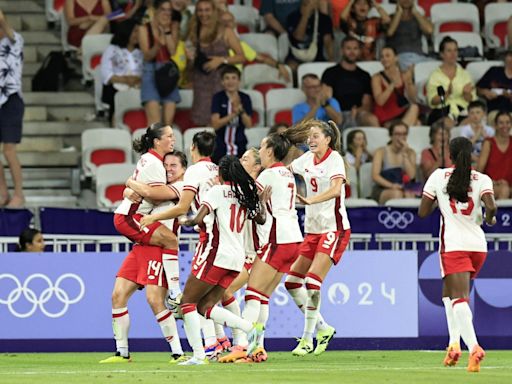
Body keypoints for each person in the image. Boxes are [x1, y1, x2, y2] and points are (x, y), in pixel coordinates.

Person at [219, 124, 310, 364]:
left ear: (270, 152)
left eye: (261, 148)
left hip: (276, 239)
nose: (260, 151)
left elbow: (248, 202)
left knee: (252, 294)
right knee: (262, 297)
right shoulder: (286, 173)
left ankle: (244, 348)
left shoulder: (268, 175)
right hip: (293, 240)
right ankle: (258, 348)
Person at [175, 155, 269, 365]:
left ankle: (199, 356)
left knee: (187, 303)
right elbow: (261, 219)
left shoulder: (216, 191)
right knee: (205, 306)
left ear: (221, 174)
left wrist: (186, 220)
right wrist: (261, 202)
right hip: (236, 259)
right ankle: (249, 329)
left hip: (215, 254)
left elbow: (199, 218)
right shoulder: (243, 194)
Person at [139, 130, 222, 360]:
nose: (168, 169)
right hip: (223, 237)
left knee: (191, 301)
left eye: (174, 165)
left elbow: (182, 207)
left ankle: (226, 341)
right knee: (216, 297)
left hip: (210, 238)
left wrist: (152, 217)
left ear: (193, 147)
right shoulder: (215, 169)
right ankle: (224, 343)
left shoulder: (192, 174)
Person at [100, 150, 188, 364]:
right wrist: (128, 192)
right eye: (166, 165)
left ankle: (178, 352)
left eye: (174, 165)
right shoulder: (161, 185)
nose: (168, 169)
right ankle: (122, 352)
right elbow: (142, 196)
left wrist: (130, 183)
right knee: (117, 296)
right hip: (142, 246)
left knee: (155, 300)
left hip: (159, 248)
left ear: (184, 169)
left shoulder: (182, 187)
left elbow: (149, 193)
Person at [419, 136, 497, 373]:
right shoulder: (482, 178)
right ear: (471, 154)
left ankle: (474, 347)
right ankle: (453, 345)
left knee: (458, 298)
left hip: (453, 244)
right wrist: (489, 219)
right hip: (478, 245)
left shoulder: (438, 176)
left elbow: (423, 212)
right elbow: (491, 206)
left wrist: (438, 200)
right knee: (449, 293)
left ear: (450, 156)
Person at [285, 119, 350, 356]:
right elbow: (285, 170)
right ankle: (324, 328)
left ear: (327, 139)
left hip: (334, 228)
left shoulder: (335, 160)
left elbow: (335, 190)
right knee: (292, 282)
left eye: (315, 136)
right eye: (309, 136)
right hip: (312, 230)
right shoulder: (305, 160)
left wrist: (310, 200)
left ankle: (306, 338)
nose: (311, 140)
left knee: (312, 282)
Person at [113, 123, 183, 303]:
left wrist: (129, 184)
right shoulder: (155, 164)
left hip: (129, 215)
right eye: (168, 136)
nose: (173, 139)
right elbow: (155, 196)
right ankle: (175, 294)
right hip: (131, 218)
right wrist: (130, 186)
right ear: (157, 141)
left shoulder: (147, 159)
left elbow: (142, 190)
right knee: (170, 240)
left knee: (119, 296)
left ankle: (173, 294)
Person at [217, 148, 266, 357]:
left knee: (222, 292)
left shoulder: (251, 188)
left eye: (245, 159)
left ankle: (239, 343)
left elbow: (260, 218)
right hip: (250, 252)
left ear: (256, 167)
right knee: (259, 299)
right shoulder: (244, 189)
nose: (240, 161)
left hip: (252, 254)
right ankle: (256, 346)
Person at [185, 0, 244, 126]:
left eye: (207, 10)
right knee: (202, 122)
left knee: (220, 121)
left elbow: (241, 57)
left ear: (214, 11)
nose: (203, 14)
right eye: (200, 10)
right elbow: (191, 60)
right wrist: (190, 58)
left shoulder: (226, 31)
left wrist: (221, 60)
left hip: (220, 83)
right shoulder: (193, 31)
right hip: (201, 82)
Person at [322, 36, 379, 129]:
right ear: (342, 50)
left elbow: (367, 104)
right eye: (348, 48)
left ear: (359, 51)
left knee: (371, 119)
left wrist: (355, 113)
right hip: (335, 114)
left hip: (357, 113)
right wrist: (337, 115)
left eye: (355, 48)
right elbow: (324, 98)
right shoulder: (330, 72)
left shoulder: (364, 75)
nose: (352, 52)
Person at [139, 0, 180, 126]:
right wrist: (157, 45)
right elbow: (146, 56)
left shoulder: (172, 28)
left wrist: (166, 31)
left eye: (169, 10)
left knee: (168, 124)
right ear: (155, 10)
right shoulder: (144, 28)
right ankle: (153, 146)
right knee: (155, 124)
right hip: (150, 70)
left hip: (167, 72)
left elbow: (172, 51)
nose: (167, 13)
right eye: (163, 9)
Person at [0, 10, 25, 208]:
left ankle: (19, 193)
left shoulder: (14, 41)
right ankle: (2, 191)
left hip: (10, 99)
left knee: (9, 150)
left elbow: (8, 30)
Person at [101, 19, 143, 125]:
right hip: (117, 86)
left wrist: (137, 79)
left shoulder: (143, 51)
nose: (138, 35)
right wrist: (125, 80)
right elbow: (106, 73)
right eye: (135, 31)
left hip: (139, 86)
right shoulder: (112, 49)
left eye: (139, 32)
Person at [426, 36, 476, 126]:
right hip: (441, 111)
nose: (453, 54)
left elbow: (471, 99)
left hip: (462, 111)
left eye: (455, 50)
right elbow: (432, 101)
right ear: (442, 54)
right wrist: (447, 94)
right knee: (446, 123)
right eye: (449, 51)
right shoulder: (435, 76)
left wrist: (466, 94)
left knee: (472, 122)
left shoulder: (465, 74)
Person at [210, 65, 253, 164]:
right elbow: (215, 124)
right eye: (227, 78)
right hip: (220, 147)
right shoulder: (218, 98)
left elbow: (249, 124)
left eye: (234, 78)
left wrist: (241, 111)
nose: (230, 81)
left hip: (240, 144)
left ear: (239, 81)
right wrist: (234, 114)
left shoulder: (245, 98)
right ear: (222, 82)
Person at [372, 46, 418, 127]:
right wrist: (392, 84)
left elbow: (413, 98)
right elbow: (380, 101)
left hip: (400, 112)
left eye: (387, 56)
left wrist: (409, 80)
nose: (384, 59)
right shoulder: (376, 77)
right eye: (382, 56)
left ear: (396, 58)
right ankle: (398, 130)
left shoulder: (403, 74)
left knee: (416, 113)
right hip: (386, 116)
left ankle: (399, 130)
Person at [371, 120, 417, 204]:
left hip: (405, 187)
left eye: (404, 134)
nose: (401, 137)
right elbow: (375, 176)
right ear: (391, 136)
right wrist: (392, 186)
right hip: (384, 187)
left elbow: (412, 176)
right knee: (397, 194)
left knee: (409, 193)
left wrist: (404, 154)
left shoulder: (411, 152)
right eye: (398, 134)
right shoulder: (380, 152)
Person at [286, 0, 335, 71]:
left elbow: (328, 41)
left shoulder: (325, 19)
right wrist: (306, 15)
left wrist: (331, 58)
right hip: (296, 57)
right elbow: (298, 38)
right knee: (291, 67)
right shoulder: (292, 17)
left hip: (317, 57)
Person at [386, 0, 433, 71]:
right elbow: (390, 32)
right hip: (400, 57)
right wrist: (399, 13)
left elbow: (429, 30)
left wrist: (415, 12)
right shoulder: (391, 18)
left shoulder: (419, 18)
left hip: (419, 57)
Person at [477, 111, 512, 200]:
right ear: (495, 126)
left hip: (510, 186)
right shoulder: (489, 143)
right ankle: (498, 214)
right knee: (504, 190)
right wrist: (494, 182)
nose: (505, 126)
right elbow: (479, 171)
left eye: (507, 122)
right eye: (501, 123)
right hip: (491, 186)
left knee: (506, 188)